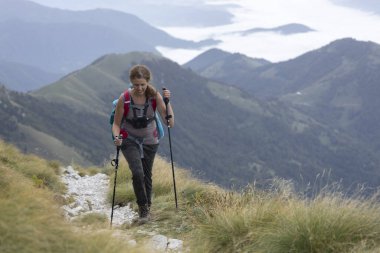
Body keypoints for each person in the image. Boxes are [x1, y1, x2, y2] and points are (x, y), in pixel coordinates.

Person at [112, 64, 174, 224]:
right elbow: (116, 124)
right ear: (131, 83)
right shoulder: (124, 98)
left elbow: (170, 122)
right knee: (138, 173)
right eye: (136, 85)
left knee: (147, 174)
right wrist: (116, 137)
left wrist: (167, 102)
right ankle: (143, 210)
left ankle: (147, 209)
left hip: (150, 140)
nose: (139, 88)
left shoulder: (155, 97)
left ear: (148, 82)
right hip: (128, 140)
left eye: (142, 85)